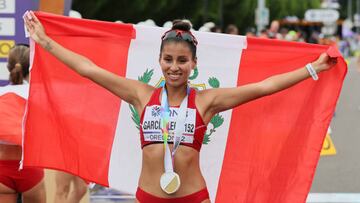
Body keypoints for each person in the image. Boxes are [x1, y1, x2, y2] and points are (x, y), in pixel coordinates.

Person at [23, 11, 337, 203]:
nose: (175, 67)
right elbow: (89, 69)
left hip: (193, 197)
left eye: (182, 61)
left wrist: (314, 68)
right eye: (168, 60)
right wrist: (46, 42)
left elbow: (263, 87)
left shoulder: (207, 100)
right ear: (159, 61)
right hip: (148, 197)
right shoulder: (141, 94)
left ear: (194, 64)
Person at [0, 44, 46, 203]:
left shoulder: (1, 95)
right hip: (30, 169)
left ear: (8, 67)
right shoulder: (39, 97)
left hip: (2, 170)